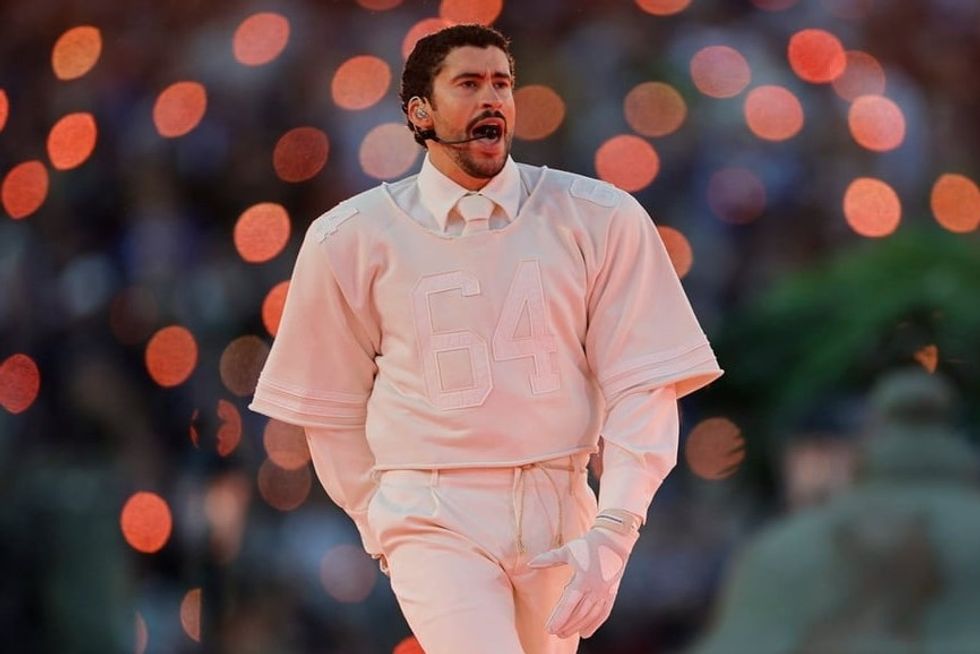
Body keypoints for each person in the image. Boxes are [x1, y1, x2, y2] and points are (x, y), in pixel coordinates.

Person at [249, 23, 722, 654]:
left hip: (561, 496)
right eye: (469, 83)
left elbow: (645, 382)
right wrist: (380, 522)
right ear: (420, 112)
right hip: (430, 504)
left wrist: (616, 524)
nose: (492, 97)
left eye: (502, 83)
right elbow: (330, 409)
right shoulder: (348, 237)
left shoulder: (601, 216)